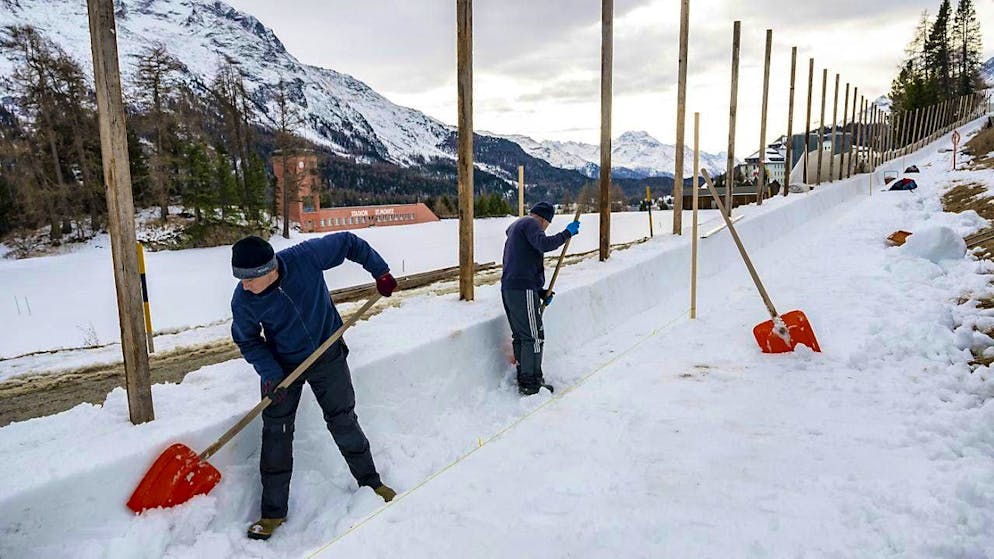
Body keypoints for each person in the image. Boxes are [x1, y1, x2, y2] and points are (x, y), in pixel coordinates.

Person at [229, 234, 399, 541]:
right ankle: (272, 513)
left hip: (327, 351)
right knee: (276, 433)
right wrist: (271, 374)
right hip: (282, 367)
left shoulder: (304, 257)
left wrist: (381, 272)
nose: (243, 286)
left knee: (342, 418)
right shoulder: (244, 301)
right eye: (238, 279)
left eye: (248, 279)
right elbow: (247, 340)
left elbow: (349, 243)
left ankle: (371, 482)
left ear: (269, 271)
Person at [500, 202, 580, 395]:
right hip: (522, 289)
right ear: (544, 219)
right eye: (547, 224)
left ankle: (524, 376)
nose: (545, 229)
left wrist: (540, 292)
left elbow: (522, 264)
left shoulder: (517, 228)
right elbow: (543, 244)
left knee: (521, 336)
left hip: (511, 288)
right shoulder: (531, 224)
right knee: (534, 337)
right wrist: (566, 234)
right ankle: (531, 382)